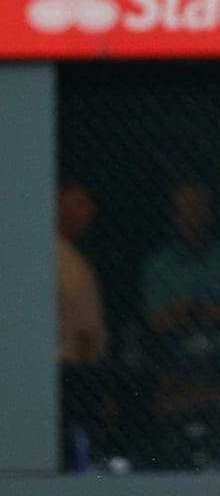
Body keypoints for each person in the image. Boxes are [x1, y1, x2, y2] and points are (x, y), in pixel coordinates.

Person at [140, 181, 220, 467]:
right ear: (174, 216)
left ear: (208, 213)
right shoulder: (158, 265)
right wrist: (219, 310)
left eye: (197, 209)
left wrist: (189, 310)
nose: (190, 217)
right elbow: (158, 322)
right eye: (183, 210)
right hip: (176, 375)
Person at [56, 178, 112, 470]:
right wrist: (96, 388)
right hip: (69, 376)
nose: (89, 212)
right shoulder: (53, 256)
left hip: (77, 374)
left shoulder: (69, 255)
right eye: (80, 203)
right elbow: (84, 335)